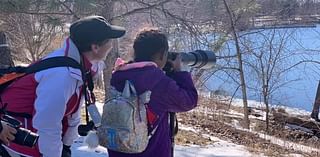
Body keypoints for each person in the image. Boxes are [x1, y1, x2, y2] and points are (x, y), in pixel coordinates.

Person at [0, 16, 125, 157]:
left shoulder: (80, 65)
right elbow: (47, 124)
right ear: (95, 47)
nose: (111, 46)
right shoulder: (62, 75)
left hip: (37, 139)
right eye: (109, 41)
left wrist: (66, 145)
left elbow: (72, 113)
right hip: (19, 139)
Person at [108, 28, 198, 157]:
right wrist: (180, 72)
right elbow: (189, 101)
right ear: (162, 55)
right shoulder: (157, 82)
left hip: (120, 150)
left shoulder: (119, 74)